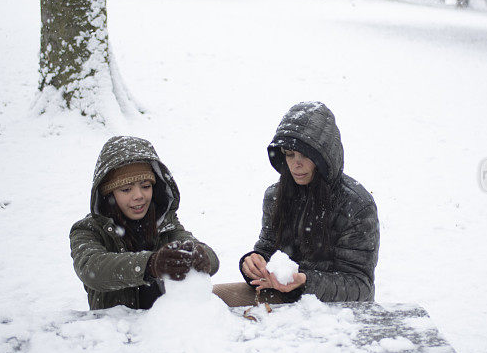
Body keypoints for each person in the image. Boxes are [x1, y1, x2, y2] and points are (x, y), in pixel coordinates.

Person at [213, 101, 379, 306]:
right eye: (289, 154)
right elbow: (267, 248)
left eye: (305, 156)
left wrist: (304, 281)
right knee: (209, 300)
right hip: (282, 297)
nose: (295, 164)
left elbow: (360, 286)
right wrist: (254, 262)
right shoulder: (276, 195)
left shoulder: (357, 206)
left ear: (324, 159)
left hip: (337, 310)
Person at [71, 136, 219, 310]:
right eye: (126, 189)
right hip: (115, 331)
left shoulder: (163, 223)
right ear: (109, 194)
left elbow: (212, 259)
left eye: (146, 186)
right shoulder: (88, 230)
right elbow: (92, 270)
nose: (139, 195)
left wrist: (199, 256)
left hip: (164, 324)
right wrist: (150, 265)